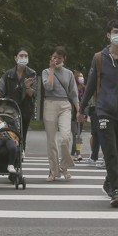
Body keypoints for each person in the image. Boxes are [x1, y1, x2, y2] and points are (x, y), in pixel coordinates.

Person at [78, 19, 118, 208]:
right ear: (108, 35)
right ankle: (116, 189)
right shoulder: (99, 58)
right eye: (115, 32)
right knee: (110, 152)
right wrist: (81, 109)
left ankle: (108, 183)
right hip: (103, 111)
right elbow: (89, 86)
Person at [38, 46, 79, 181]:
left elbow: (73, 93)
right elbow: (48, 87)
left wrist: (79, 109)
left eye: (59, 58)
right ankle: (53, 171)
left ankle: (64, 165)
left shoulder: (69, 73)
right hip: (49, 104)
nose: (56, 60)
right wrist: (51, 69)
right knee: (51, 141)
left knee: (65, 137)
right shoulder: (45, 71)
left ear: (64, 59)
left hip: (65, 105)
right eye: (54, 57)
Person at [0, 48, 37, 145]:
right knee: (10, 130)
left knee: (22, 134)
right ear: (15, 58)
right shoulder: (8, 74)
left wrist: (27, 86)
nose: (23, 58)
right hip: (9, 107)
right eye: (21, 56)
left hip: (25, 108)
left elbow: (33, 93)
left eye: (26, 56)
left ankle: (21, 151)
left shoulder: (32, 74)